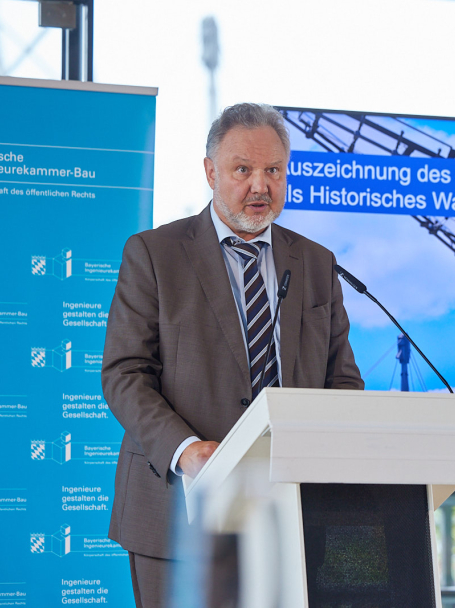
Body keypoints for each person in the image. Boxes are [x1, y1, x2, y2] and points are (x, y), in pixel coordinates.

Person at [101, 103, 364, 608]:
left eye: (274, 171)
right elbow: (125, 373)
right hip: (178, 510)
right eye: (243, 169)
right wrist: (186, 450)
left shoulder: (316, 262)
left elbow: (343, 381)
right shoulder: (154, 254)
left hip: (291, 514)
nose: (260, 186)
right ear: (210, 172)